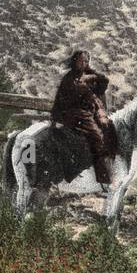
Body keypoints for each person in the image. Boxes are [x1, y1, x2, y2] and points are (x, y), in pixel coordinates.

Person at [51, 50, 115, 186]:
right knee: (96, 136)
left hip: (85, 113)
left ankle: (109, 163)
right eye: (81, 61)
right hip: (71, 114)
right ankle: (103, 179)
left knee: (109, 127)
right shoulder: (70, 78)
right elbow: (82, 92)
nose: (84, 63)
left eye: (86, 61)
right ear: (75, 62)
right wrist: (89, 78)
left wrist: (92, 72)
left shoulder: (85, 76)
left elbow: (104, 81)